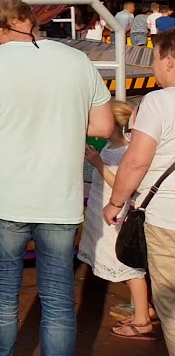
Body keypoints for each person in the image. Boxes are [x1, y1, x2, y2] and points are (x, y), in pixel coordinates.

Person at [0, 0, 114, 356]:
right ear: (32, 21)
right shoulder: (76, 60)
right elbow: (105, 125)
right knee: (59, 296)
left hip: (8, 199)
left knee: (2, 293)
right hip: (61, 199)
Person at [104, 29, 175, 350]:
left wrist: (115, 203)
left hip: (167, 220)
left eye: (155, 60)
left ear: (170, 62)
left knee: (171, 306)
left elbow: (135, 161)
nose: (154, 68)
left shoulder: (158, 102)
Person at [81, 100, 156, 340]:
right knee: (124, 265)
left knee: (127, 266)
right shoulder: (111, 146)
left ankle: (142, 319)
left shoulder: (123, 151)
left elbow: (122, 185)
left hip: (114, 216)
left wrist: (98, 164)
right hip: (104, 212)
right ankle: (144, 308)